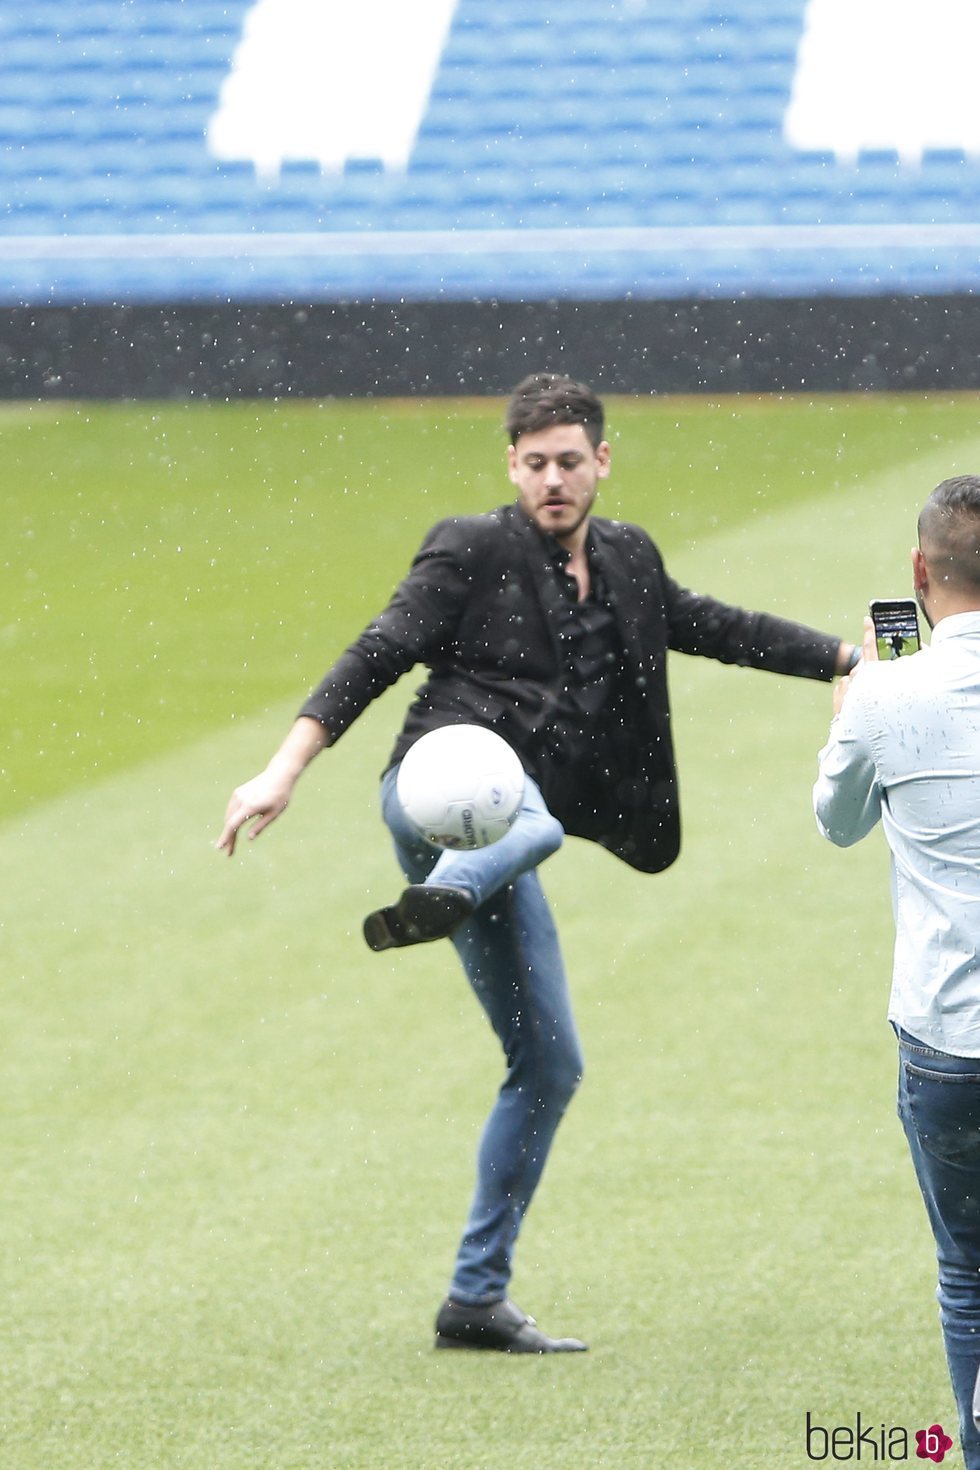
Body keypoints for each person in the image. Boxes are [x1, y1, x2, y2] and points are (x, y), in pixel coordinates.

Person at [218, 373, 856, 1354]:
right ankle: (447, 882)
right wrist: (281, 769)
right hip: (429, 796)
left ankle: (473, 1300)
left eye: (568, 460)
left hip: (504, 846)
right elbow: (377, 653)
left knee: (548, 1064)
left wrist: (839, 660)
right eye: (533, 463)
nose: (551, 479)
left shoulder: (629, 560)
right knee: (531, 819)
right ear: (509, 465)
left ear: (601, 460)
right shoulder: (469, 549)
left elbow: (715, 627)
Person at [813, 474, 980, 1469]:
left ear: (918, 572)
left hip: (946, 1039)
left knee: (965, 1271)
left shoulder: (882, 692)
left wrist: (851, 703)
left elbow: (833, 825)